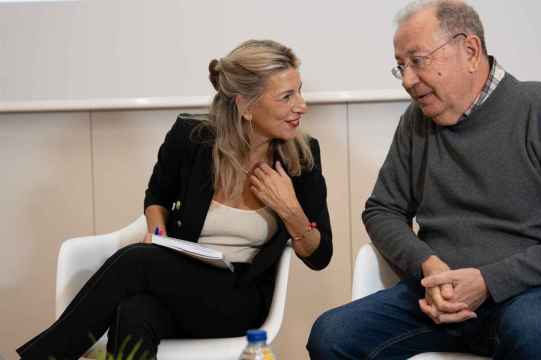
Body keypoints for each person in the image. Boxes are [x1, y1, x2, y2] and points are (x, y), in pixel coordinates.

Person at [307, 1, 541, 359]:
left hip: (531, 293)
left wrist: (489, 281)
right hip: (436, 297)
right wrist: (427, 265)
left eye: (418, 61)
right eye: (400, 67)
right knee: (332, 335)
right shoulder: (416, 123)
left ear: (470, 51)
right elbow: (382, 210)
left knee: (534, 331)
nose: (407, 80)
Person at [17, 39, 332, 359]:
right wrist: (158, 231)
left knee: (135, 262)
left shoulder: (301, 158)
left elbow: (319, 256)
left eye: (300, 91)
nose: (302, 105)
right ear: (245, 105)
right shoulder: (191, 138)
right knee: (134, 312)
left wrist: (290, 209)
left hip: (240, 298)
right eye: (287, 96)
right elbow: (157, 196)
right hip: (179, 281)